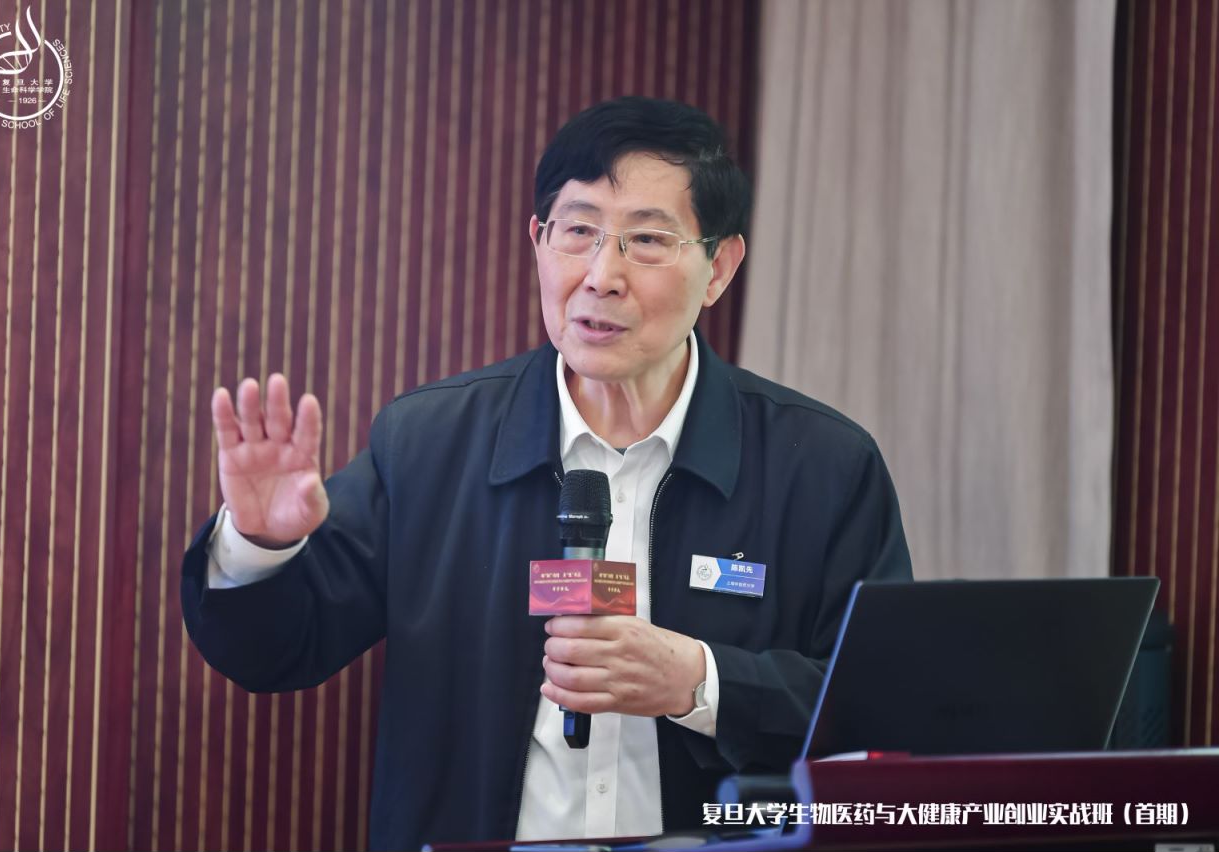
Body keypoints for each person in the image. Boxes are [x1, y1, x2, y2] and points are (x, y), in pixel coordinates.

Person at [181, 96, 911, 850]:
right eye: (579, 231)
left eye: (647, 240)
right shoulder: (429, 445)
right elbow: (277, 651)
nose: (601, 275)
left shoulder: (821, 467)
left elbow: (884, 709)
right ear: (538, 241)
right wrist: (260, 545)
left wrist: (701, 683)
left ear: (718, 267)